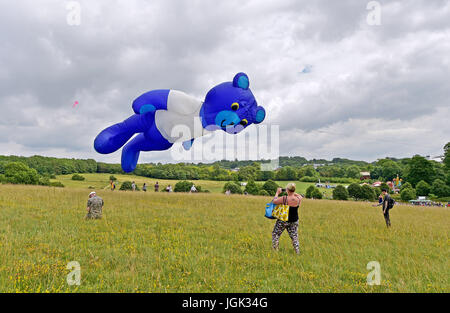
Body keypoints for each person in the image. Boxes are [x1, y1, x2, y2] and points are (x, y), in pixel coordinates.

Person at [271, 183, 302, 254]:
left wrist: (277, 193)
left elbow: (274, 201)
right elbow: (299, 195)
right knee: (294, 236)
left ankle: (275, 250)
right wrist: (292, 191)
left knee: (275, 234)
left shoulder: (284, 198)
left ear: (287, 190)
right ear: (294, 190)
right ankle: (297, 252)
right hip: (294, 220)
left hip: (284, 220)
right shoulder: (298, 199)